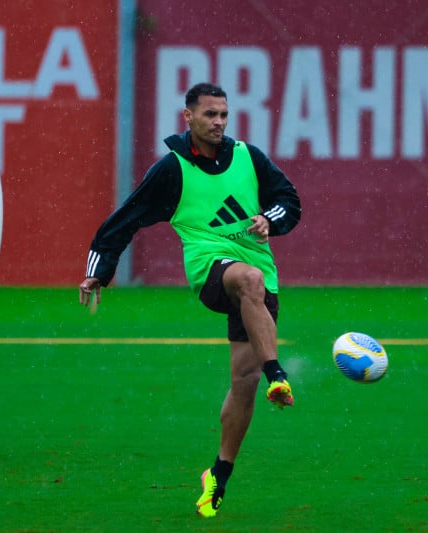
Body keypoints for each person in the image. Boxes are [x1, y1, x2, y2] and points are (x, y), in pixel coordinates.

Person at [79, 82, 301, 517]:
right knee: (249, 280)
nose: (218, 122)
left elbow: (289, 202)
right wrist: (99, 271)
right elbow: (126, 218)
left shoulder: (249, 157)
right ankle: (278, 372)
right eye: (209, 114)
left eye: (223, 114)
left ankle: (219, 473)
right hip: (210, 268)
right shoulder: (173, 168)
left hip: (261, 275)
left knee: (244, 382)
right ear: (188, 116)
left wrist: (268, 219)